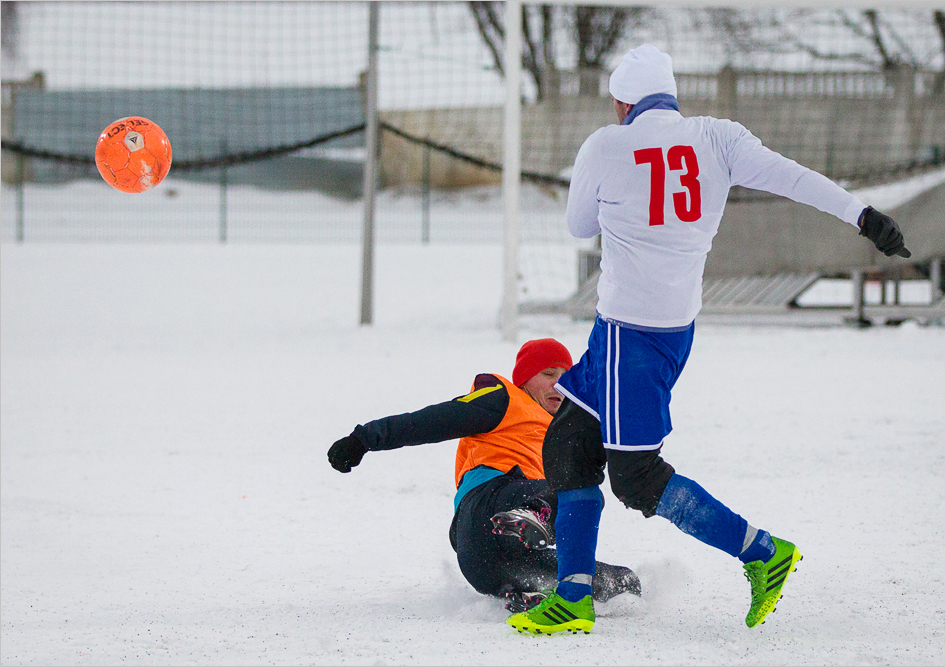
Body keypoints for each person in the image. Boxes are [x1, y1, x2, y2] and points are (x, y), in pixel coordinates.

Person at [506, 44, 911, 635]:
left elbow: (578, 226)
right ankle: (572, 595)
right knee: (568, 441)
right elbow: (792, 178)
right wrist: (863, 215)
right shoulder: (719, 138)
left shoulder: (606, 144)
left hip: (629, 336)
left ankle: (762, 552)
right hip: (666, 333)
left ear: (622, 101)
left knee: (637, 478)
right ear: (670, 94)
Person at [326, 338, 641, 611]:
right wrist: (365, 439)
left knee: (624, 582)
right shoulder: (505, 399)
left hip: (487, 561)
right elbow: (434, 419)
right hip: (490, 505)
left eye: (565, 376)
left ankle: (526, 593)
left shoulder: (567, 429)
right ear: (525, 379)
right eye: (548, 374)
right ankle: (538, 515)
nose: (559, 383)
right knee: (575, 491)